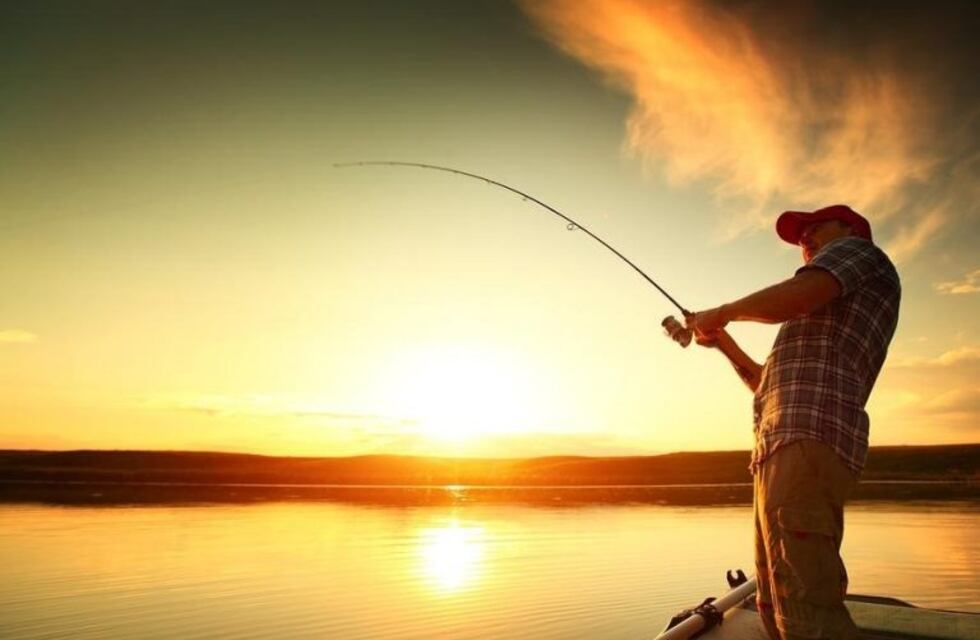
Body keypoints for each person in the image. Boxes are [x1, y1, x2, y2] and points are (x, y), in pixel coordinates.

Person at [681, 204, 901, 640]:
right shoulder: (823, 309)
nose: (806, 239)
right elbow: (765, 384)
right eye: (801, 237)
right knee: (774, 601)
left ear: (851, 229)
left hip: (806, 441)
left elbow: (796, 296)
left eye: (816, 227)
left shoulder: (859, 252)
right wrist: (722, 342)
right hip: (782, 449)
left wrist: (722, 311)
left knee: (805, 605)